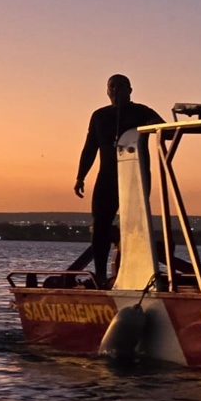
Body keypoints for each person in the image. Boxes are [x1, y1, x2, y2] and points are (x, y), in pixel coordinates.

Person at [74, 74, 164, 286]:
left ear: (130, 90)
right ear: (107, 91)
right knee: (100, 225)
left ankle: (135, 271)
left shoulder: (142, 111)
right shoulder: (99, 116)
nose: (116, 90)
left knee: (133, 225)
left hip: (136, 176)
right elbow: (90, 148)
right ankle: (100, 274)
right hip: (106, 177)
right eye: (112, 86)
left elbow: (166, 131)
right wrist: (80, 176)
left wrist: (154, 125)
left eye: (121, 86)